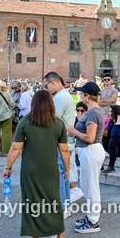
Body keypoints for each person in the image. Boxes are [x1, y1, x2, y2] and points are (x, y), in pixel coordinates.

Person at [4, 90, 72, 238]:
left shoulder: (25, 121)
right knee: (54, 200)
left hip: (31, 169)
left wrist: (8, 167)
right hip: (50, 169)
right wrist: (67, 169)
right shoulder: (59, 123)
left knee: (31, 201)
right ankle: (60, 237)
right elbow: (64, 150)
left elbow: (15, 147)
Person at [67, 81, 106, 234]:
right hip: (89, 151)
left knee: (91, 188)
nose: (80, 95)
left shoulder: (92, 113)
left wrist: (73, 131)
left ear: (87, 96)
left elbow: (90, 137)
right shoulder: (93, 111)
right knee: (88, 186)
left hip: (91, 150)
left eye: (82, 93)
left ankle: (93, 221)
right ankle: (91, 217)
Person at [44, 72, 78, 212]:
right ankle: (66, 205)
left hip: (59, 140)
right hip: (64, 139)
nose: (46, 89)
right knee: (64, 174)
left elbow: (53, 120)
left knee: (59, 175)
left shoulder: (59, 98)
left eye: (46, 86)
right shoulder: (65, 96)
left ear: (53, 82)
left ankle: (62, 207)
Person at [102, 104, 120, 173]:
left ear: (116, 113)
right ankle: (100, 163)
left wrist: (118, 122)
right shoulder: (111, 123)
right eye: (109, 111)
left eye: (111, 112)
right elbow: (109, 136)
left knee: (113, 140)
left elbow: (113, 135)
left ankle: (111, 166)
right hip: (114, 149)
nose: (109, 113)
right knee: (101, 137)